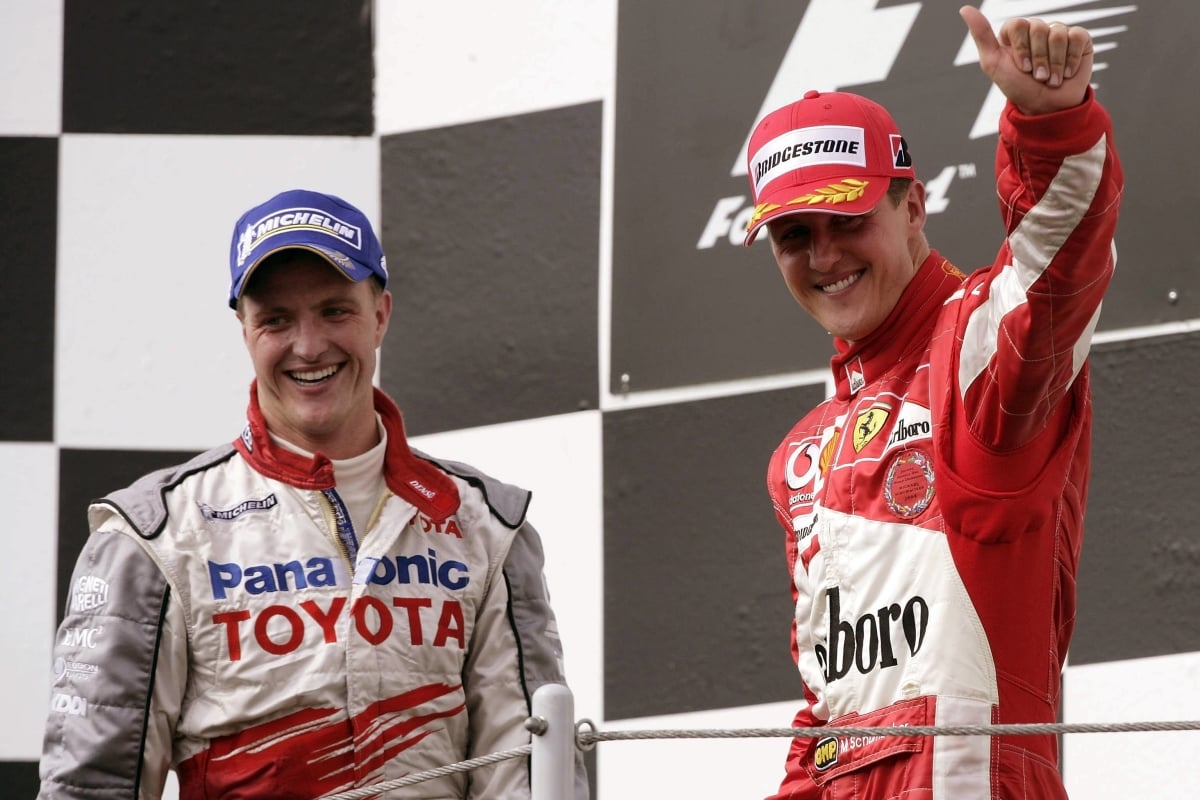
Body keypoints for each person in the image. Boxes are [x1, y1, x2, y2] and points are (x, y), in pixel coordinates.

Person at [38, 188, 589, 799]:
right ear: (245, 330)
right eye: (276, 319)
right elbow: (91, 788)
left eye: (334, 311)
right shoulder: (154, 537)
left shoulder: (486, 526)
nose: (308, 346)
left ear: (380, 315)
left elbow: (533, 773)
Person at [745, 5, 1122, 798]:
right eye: (792, 235)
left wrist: (1049, 126)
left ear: (912, 207)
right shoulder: (802, 457)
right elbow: (825, 714)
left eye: (846, 219)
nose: (823, 256)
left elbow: (1059, 274)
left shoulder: (978, 354)